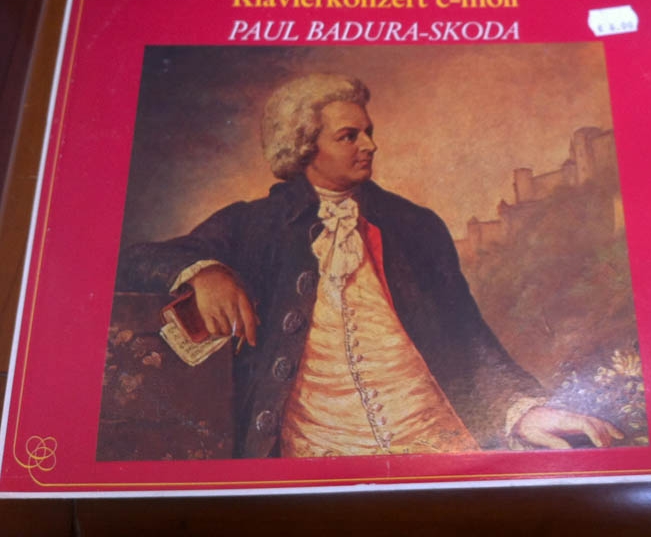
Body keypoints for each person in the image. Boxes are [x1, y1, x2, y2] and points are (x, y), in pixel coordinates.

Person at [117, 73, 623, 458]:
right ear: (305, 146)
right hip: (313, 451)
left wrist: (523, 410)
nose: (370, 145)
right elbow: (133, 259)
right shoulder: (253, 224)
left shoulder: (415, 226)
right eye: (349, 136)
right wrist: (205, 270)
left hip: (431, 442)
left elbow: (469, 339)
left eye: (369, 132)